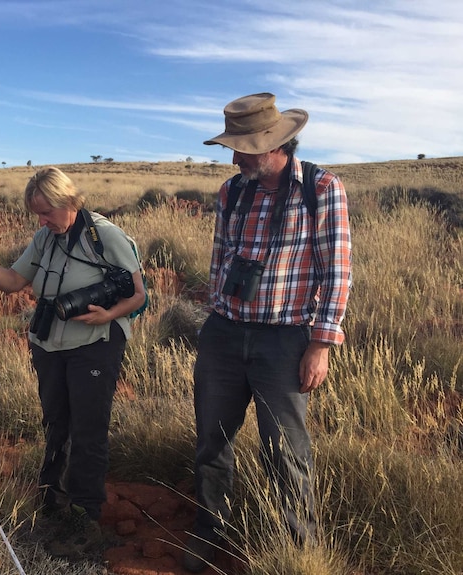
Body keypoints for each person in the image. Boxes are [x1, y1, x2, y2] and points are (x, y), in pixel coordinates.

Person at [183, 93, 352, 572]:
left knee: (285, 448)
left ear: (273, 144)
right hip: (224, 331)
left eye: (242, 147)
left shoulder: (321, 188)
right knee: (211, 439)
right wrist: (213, 320)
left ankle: (297, 549)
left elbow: (336, 272)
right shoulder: (231, 191)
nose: (234, 158)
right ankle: (209, 532)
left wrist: (321, 343)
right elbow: (220, 259)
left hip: (285, 338)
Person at [0, 166, 146, 559]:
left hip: (95, 342)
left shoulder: (103, 235)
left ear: (68, 200)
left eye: (47, 211)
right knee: (56, 419)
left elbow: (138, 294)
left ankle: (85, 512)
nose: (42, 220)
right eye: (37, 213)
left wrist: (108, 315)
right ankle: (52, 497)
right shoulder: (44, 239)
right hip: (49, 342)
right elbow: (16, 281)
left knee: (88, 426)